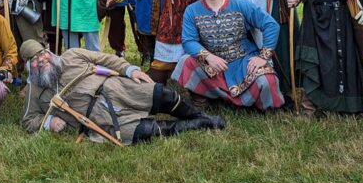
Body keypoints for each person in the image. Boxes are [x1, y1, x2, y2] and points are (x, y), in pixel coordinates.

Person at [19, 40, 225, 144]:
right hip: (99, 118)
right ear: (29, 66)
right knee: (147, 131)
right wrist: (48, 123)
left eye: (42, 54)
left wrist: (130, 69)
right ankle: (199, 124)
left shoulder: (71, 55)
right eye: (34, 60)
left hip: (117, 88)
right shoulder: (34, 90)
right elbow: (28, 120)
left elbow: (105, 59)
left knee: (162, 95)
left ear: (48, 51)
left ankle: (199, 115)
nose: (42, 60)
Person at [175, 0, 284, 111]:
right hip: (213, 63)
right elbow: (188, 40)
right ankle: (202, 99)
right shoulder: (192, 10)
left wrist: (263, 57)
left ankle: (255, 106)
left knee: (267, 80)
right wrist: (209, 57)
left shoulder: (240, 4)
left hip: (242, 60)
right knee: (186, 62)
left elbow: (270, 25)